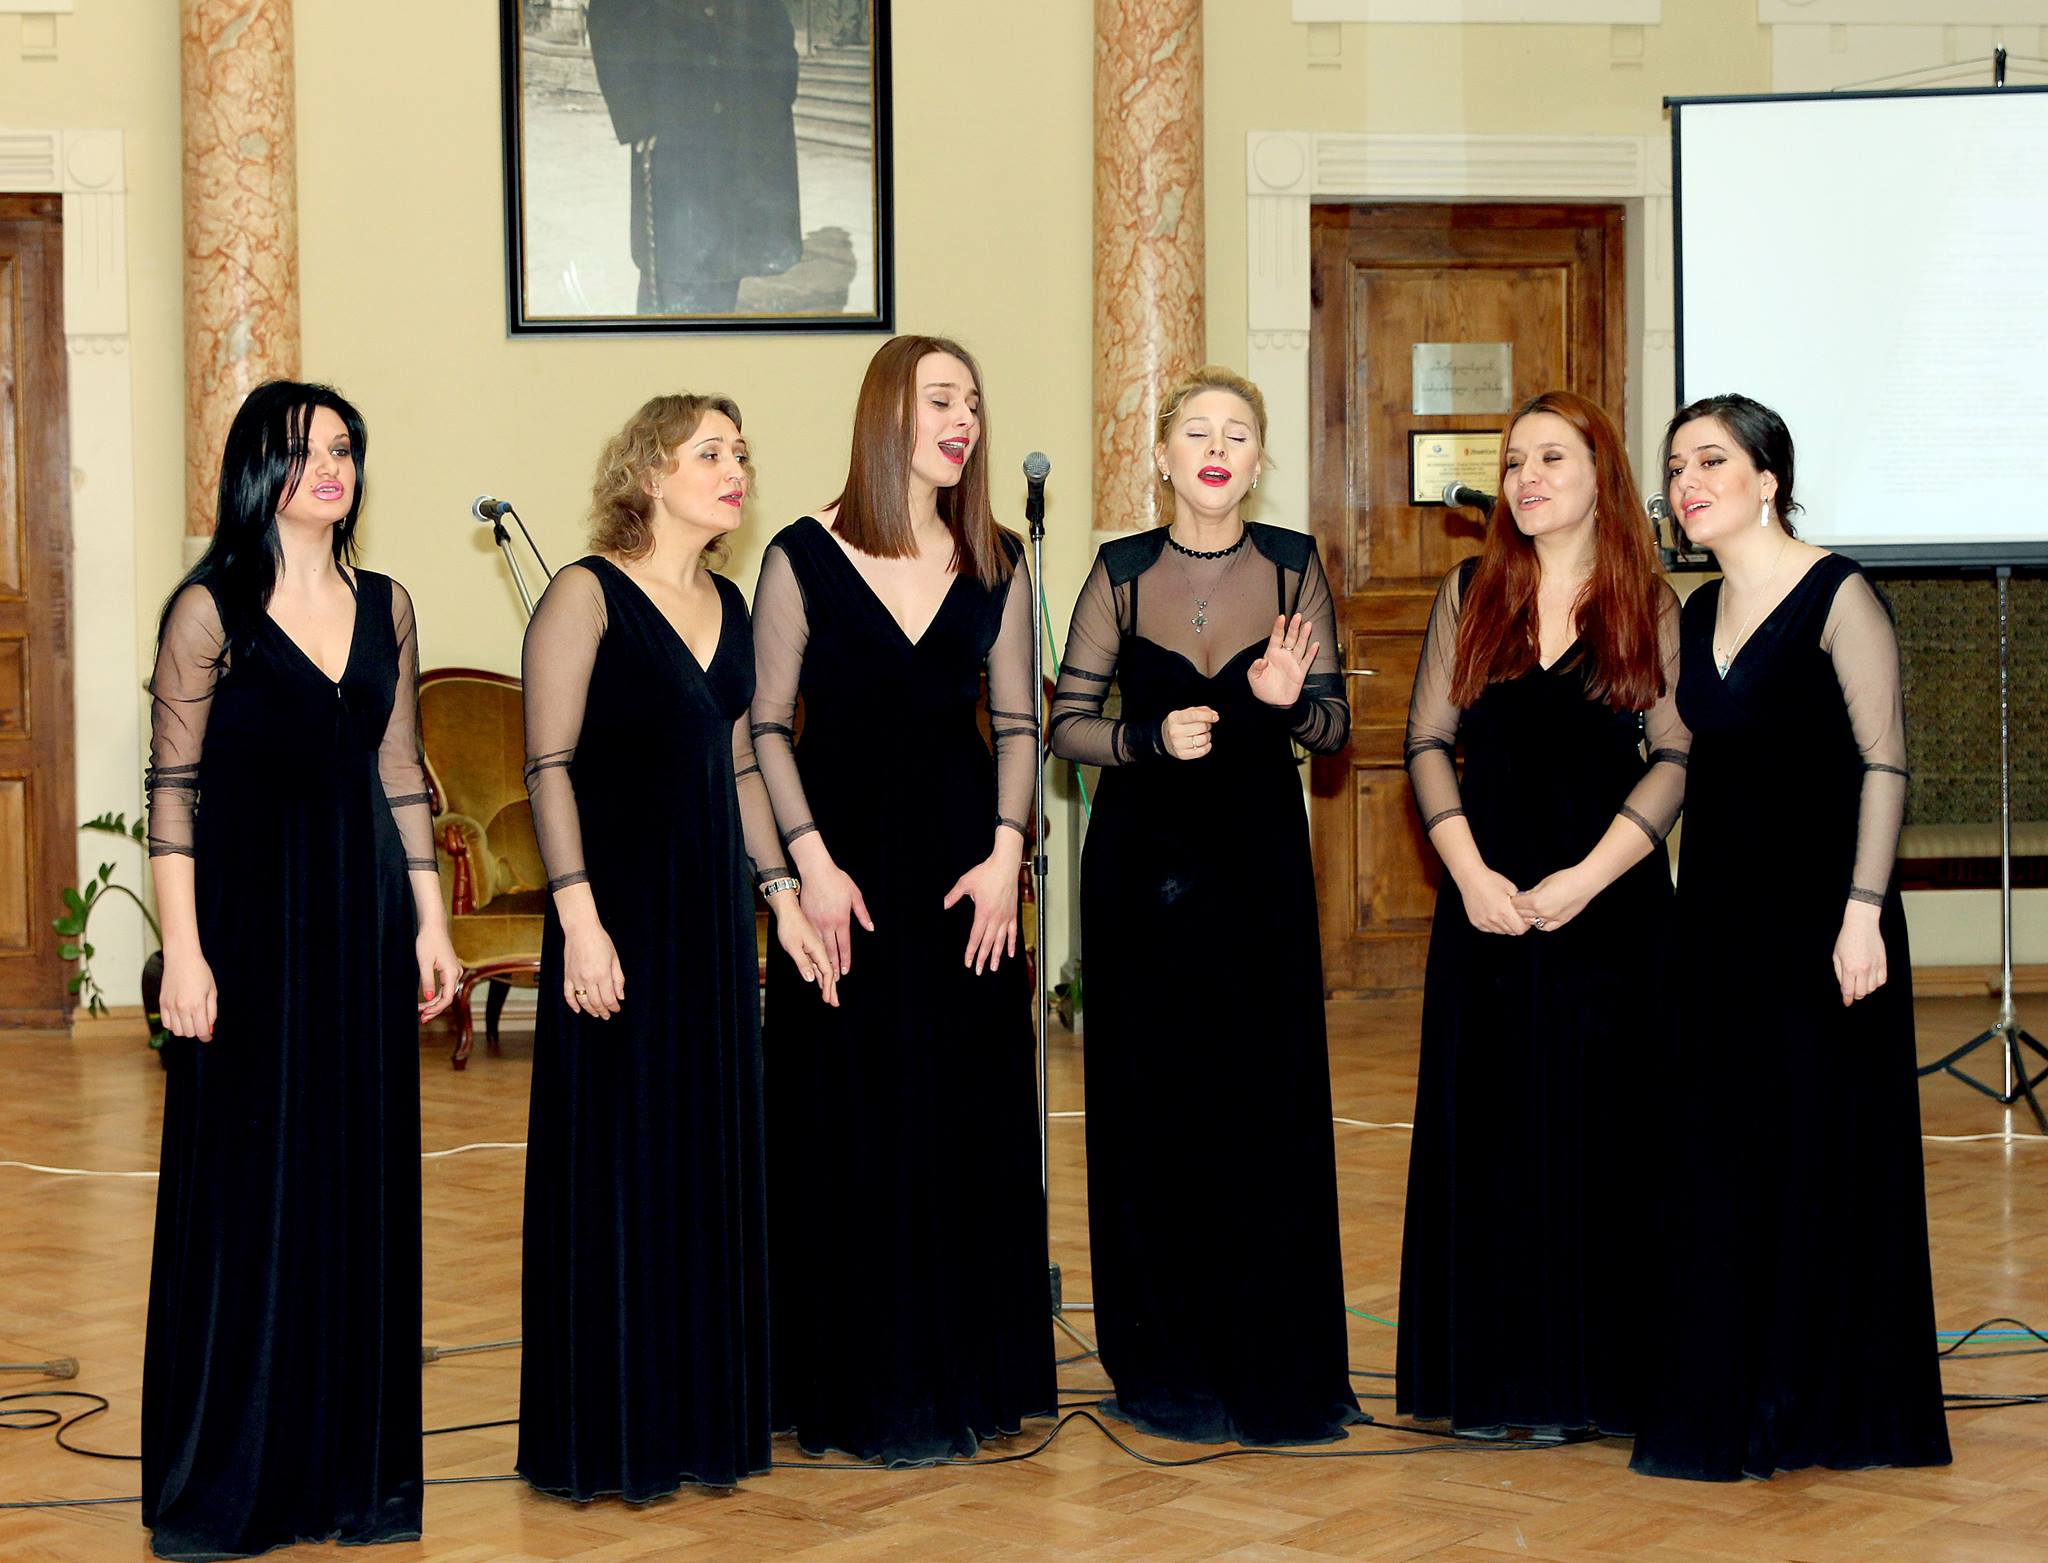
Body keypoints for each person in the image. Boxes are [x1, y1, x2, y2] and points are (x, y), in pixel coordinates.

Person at [142, 381, 458, 1559]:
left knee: (354, 1189)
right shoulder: (208, 609)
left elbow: (400, 772)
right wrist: (184, 951)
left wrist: (430, 923)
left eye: (343, 450)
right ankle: (234, 1483)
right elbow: (172, 793)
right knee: (248, 1197)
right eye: (304, 450)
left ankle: (350, 1479)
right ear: (255, 471)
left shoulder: (388, 604)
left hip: (361, 921)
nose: (330, 468)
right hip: (246, 929)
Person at [517, 394, 835, 1499]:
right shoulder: (584, 592)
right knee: (619, 1160)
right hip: (613, 915)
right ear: (651, 472)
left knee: (702, 1160)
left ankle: (698, 1418)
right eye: (710, 452)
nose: (734, 468)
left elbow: (741, 765)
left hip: (708, 923)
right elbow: (547, 767)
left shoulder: (729, 601)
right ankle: (612, 1429)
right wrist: (579, 917)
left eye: (741, 452)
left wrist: (782, 894)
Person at [1630, 393, 1950, 1481]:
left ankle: (1823, 1402)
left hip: (1826, 921)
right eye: (1676, 466)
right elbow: (1680, 767)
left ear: (1768, 480)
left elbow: (1883, 762)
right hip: (1719, 924)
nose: (1687, 483)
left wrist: (1861, 911)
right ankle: (1733, 1396)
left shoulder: (1837, 592)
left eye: (1710, 461)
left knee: (1823, 1150)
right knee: (1726, 1154)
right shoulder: (1691, 613)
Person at [750, 334, 1057, 1463]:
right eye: (940, 400)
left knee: (963, 1112)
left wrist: (1007, 852)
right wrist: (807, 861)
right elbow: (763, 726)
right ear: (887, 414)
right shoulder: (799, 553)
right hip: (840, 870)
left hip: (963, 872)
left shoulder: (999, 559)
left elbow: (1018, 724)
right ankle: (849, 1380)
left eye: (972, 401)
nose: (964, 420)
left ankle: (964, 1371)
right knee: (848, 1112)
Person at [1049, 364, 1362, 1445]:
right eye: (1196, 431)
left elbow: (1336, 732)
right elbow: (1067, 723)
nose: (1217, 448)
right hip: (1141, 871)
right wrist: (1146, 738)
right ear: (1163, 456)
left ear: (1257, 460)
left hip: (1255, 867)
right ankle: (1164, 1357)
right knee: (1154, 1102)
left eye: (1237, 433)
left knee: (1259, 1099)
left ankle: (1267, 1353)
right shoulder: (1120, 571)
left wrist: (1286, 705)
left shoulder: (1292, 566)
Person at [1394, 389, 1686, 1439]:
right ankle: (1496, 1383)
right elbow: (1426, 744)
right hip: (1488, 902)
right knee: (1493, 1139)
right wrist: (1469, 873)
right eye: (1515, 460)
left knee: (1608, 1140)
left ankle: (1599, 1386)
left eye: (1551, 458)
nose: (1525, 478)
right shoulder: (1470, 591)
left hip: (1609, 910)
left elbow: (1674, 758)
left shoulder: (1648, 602)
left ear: (1601, 477)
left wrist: (1588, 878)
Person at [585, 0, 802, 314]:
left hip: (740, 129)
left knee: (726, 266)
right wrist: (638, 117)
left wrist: (776, 95)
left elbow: (773, 22)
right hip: (673, 130)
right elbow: (609, 21)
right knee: (672, 270)